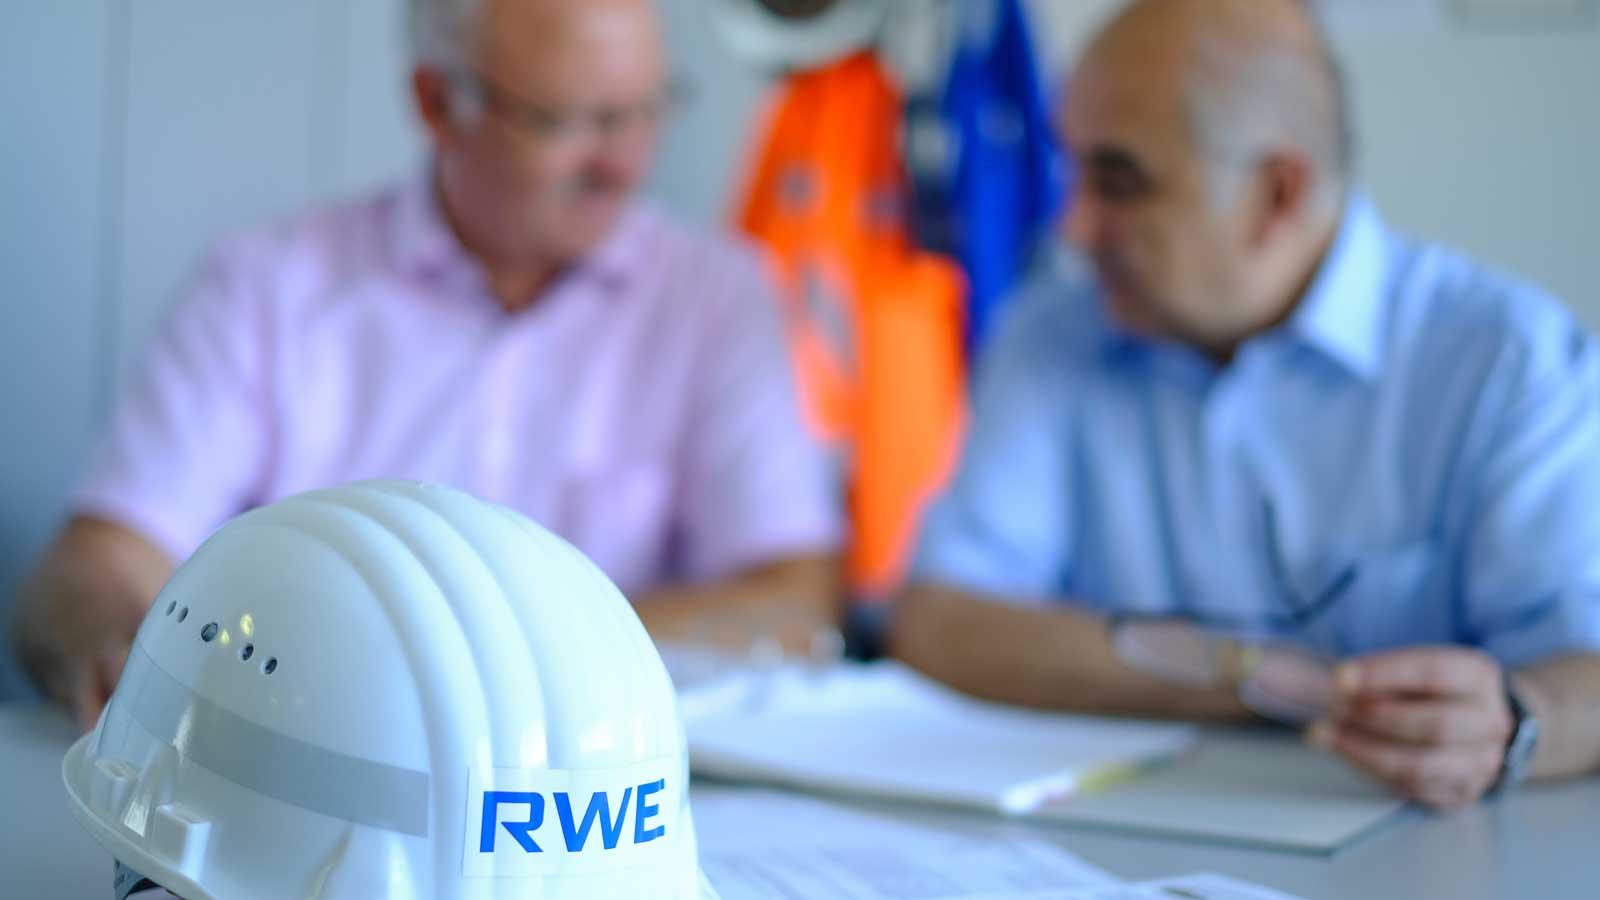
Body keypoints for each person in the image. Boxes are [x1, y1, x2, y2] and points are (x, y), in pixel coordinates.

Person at [14, 0, 841, 731]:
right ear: (438, 103)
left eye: (643, 113)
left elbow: (795, 606)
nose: (621, 163)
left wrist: (454, 657)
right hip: (302, 783)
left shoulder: (719, 300)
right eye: (570, 121)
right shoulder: (268, 288)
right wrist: (120, 652)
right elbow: (99, 564)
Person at [892, 0, 1600, 809]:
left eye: (1119, 181)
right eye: (1072, 170)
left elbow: (1587, 673)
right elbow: (942, 625)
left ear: (1277, 193)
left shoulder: (1508, 361)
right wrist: (1276, 681)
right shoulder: (1049, 333)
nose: (1074, 226)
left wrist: (1511, 723)